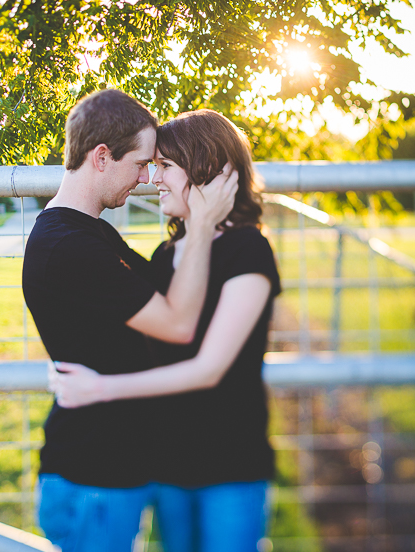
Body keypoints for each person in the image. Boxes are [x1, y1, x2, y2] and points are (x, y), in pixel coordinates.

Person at [50, 108, 281, 552]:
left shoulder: (248, 251)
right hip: (166, 461)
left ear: (208, 169)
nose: (153, 178)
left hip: (230, 463)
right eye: (152, 165)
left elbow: (208, 369)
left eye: (166, 166)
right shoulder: (166, 254)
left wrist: (101, 388)